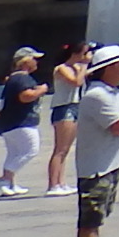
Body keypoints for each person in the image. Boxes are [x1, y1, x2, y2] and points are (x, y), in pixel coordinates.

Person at [69, 43, 119, 237]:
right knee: (91, 218)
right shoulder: (97, 95)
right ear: (107, 69)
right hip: (96, 166)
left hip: (108, 162)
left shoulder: (111, 92)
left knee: (96, 216)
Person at [0, 47, 46, 196]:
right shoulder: (22, 78)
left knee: (14, 153)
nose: (37, 62)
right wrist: (41, 90)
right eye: (34, 59)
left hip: (8, 122)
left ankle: (10, 183)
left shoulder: (13, 78)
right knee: (31, 150)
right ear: (25, 61)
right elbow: (25, 96)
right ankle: (4, 179)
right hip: (21, 122)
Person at [43, 40, 87, 195]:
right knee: (60, 149)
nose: (86, 56)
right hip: (64, 107)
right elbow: (76, 82)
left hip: (75, 106)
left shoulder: (76, 67)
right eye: (84, 53)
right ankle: (53, 184)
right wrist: (84, 67)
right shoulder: (61, 68)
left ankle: (61, 182)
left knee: (66, 149)